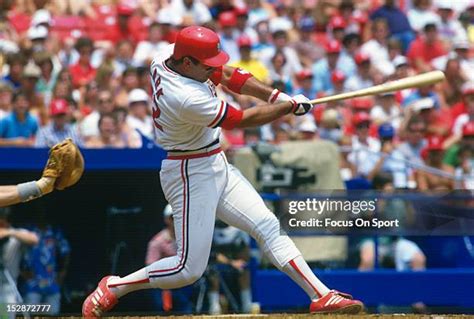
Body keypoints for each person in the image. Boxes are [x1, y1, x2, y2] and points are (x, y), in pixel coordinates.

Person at [83, 26, 363, 317]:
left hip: (214, 160)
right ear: (188, 63)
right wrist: (287, 108)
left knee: (267, 225)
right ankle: (114, 287)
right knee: (187, 270)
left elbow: (227, 75)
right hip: (189, 171)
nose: (213, 69)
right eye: (206, 64)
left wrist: (276, 96)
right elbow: (239, 120)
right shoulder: (185, 97)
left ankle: (321, 295)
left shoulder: (168, 55)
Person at [21, 210, 71, 315]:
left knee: (53, 312)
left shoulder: (55, 232)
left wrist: (63, 272)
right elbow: (16, 252)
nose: (41, 214)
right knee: (30, 313)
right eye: (38, 210)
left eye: (44, 211)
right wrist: (22, 271)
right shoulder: (28, 231)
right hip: (33, 283)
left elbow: (66, 250)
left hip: (52, 282)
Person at [0, 208, 39, 304]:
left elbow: (34, 239)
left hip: (7, 286)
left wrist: (8, 232)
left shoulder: (14, 235)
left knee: (4, 316)